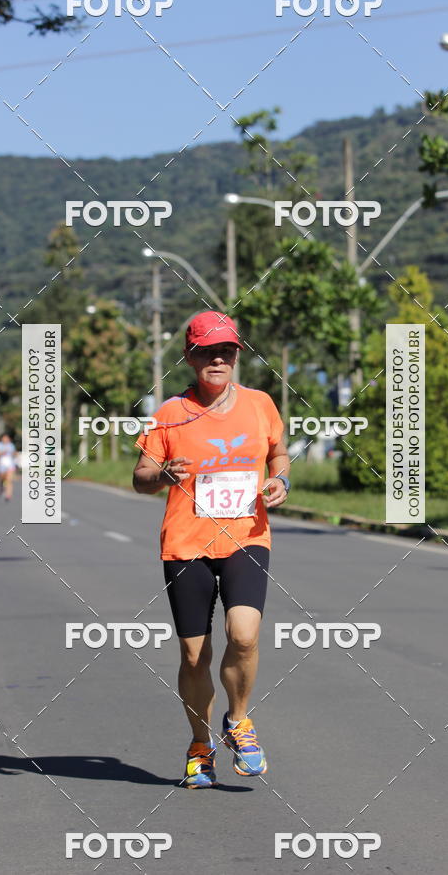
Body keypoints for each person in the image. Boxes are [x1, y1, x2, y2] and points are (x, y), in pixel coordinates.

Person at [133, 311, 291, 789]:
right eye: (207, 350)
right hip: (186, 544)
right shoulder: (168, 414)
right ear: (189, 356)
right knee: (192, 654)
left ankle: (239, 720)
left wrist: (281, 478)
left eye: (227, 350)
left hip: (245, 536)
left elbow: (277, 453)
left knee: (243, 634)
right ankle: (200, 746)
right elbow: (140, 478)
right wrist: (162, 476)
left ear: (237, 356)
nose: (218, 358)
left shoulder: (261, 404)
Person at [0, 433, 16, 501]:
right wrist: (2, 452)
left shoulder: (11, 445)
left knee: (9, 480)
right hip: (1, 464)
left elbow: (14, 453)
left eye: (7, 438)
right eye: (4, 438)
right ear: (1, 438)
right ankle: (2, 486)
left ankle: (8, 495)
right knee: (2, 479)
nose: (5, 439)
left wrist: (15, 454)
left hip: (10, 464)